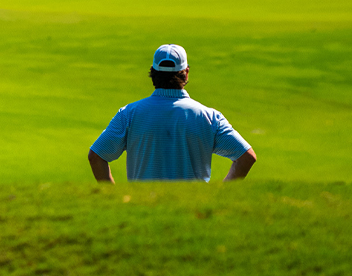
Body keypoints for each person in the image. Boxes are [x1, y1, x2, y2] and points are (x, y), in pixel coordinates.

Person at [87, 44, 257, 183]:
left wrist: (113, 196)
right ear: (186, 72)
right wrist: (219, 195)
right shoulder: (210, 117)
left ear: (153, 73)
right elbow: (246, 156)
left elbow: (96, 156)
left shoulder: (129, 114)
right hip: (193, 211)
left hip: (143, 208)